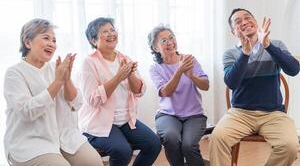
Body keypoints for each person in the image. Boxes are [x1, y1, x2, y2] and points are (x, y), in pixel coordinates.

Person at [3, 18, 103, 166]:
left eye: (54, 40)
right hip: (30, 142)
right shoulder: (14, 73)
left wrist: (67, 79)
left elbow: (76, 103)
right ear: (27, 42)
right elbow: (27, 111)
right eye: (46, 38)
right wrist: (57, 82)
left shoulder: (55, 68)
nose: (52, 43)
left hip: (64, 136)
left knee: (94, 162)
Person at [209, 8, 300, 166]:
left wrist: (268, 45)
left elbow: (293, 70)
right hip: (240, 113)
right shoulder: (230, 54)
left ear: (256, 22)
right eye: (238, 22)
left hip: (273, 114)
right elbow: (231, 83)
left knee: (290, 146)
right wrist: (245, 53)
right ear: (233, 32)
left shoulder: (276, 44)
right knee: (217, 138)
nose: (244, 22)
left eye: (247, 18)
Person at [78, 17, 161, 166]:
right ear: (93, 40)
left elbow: (139, 91)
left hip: (126, 120)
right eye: (104, 31)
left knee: (154, 144)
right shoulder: (89, 62)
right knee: (123, 151)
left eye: (112, 30)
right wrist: (118, 77)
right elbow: (92, 100)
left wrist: (129, 75)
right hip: (99, 122)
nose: (111, 34)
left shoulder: (124, 58)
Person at [147, 25, 210, 166]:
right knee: (171, 138)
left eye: (171, 37)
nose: (169, 42)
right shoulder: (155, 68)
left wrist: (192, 76)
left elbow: (206, 86)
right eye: (163, 41)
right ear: (155, 48)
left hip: (194, 115)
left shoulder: (189, 60)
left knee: (188, 145)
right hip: (167, 115)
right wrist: (180, 71)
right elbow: (166, 92)